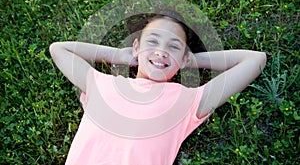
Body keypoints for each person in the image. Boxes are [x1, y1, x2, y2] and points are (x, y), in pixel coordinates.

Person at [49, 11, 266, 165]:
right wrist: (117, 55)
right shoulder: (102, 83)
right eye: (152, 42)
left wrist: (191, 60)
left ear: (183, 58)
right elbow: (59, 50)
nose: (161, 51)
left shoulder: (187, 100)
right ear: (136, 47)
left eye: (173, 47)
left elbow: (255, 60)